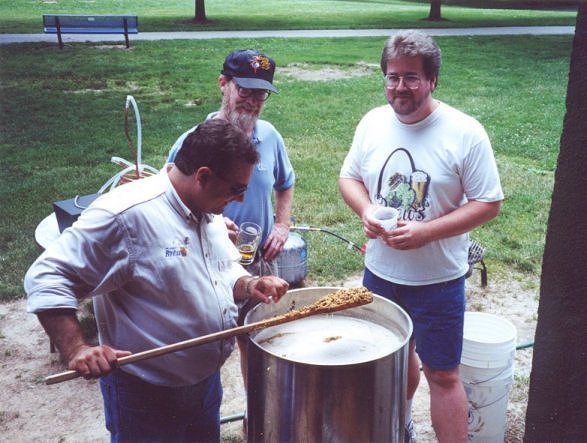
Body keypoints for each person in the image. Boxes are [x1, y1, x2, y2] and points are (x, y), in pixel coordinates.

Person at [25, 119, 289, 443]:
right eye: (237, 189)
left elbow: (217, 268)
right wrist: (76, 348)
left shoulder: (206, 206)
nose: (238, 198)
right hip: (145, 397)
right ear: (203, 176)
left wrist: (247, 284)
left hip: (204, 385)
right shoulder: (126, 216)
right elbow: (48, 274)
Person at [339, 30, 503, 442]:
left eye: (412, 77)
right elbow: (349, 177)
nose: (400, 87)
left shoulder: (465, 132)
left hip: (438, 280)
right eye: (393, 77)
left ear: (432, 80)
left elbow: (489, 202)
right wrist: (366, 211)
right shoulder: (372, 123)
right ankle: (401, 425)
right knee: (392, 360)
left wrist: (426, 232)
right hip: (380, 272)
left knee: (444, 374)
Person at [166, 49, 295, 386]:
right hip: (207, 262)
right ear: (223, 84)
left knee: (261, 342)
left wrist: (282, 225)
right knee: (206, 343)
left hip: (259, 261)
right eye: (244, 90)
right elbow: (171, 200)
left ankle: (259, 416)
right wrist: (210, 224)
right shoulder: (193, 142)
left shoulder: (269, 137)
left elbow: (286, 183)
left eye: (261, 93)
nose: (252, 101)